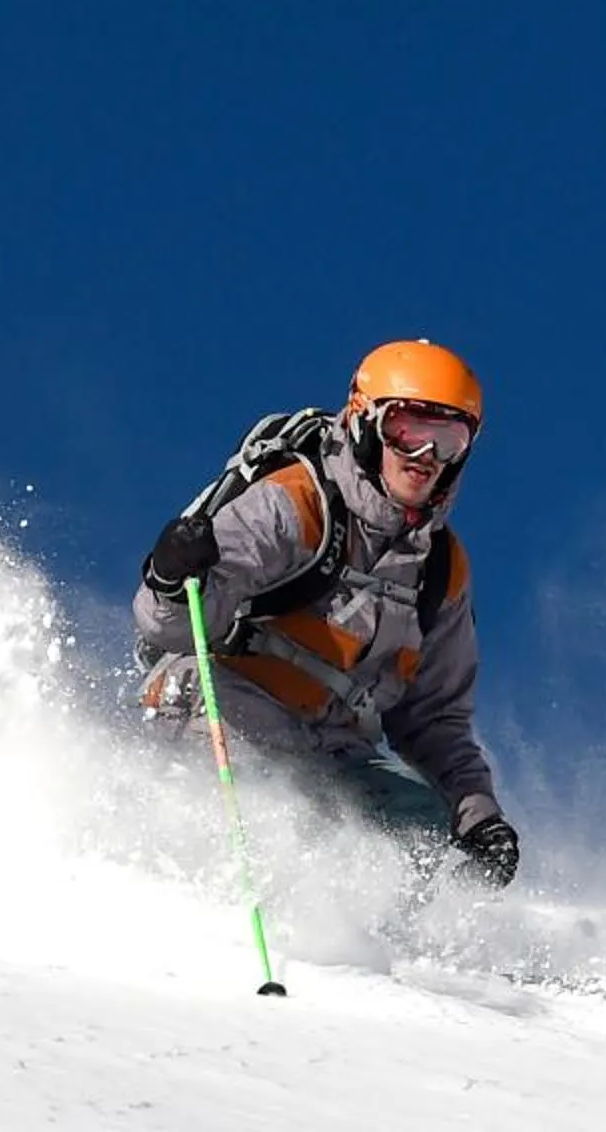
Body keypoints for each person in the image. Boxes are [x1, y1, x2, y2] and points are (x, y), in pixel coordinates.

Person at [132, 339, 521, 888]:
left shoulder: (440, 570)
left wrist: (478, 817)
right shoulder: (296, 504)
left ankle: (377, 960)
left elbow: (434, 719)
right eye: (407, 429)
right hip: (224, 718)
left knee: (421, 833)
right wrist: (172, 578)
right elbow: (167, 622)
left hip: (331, 760)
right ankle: (200, 920)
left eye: (448, 439)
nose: (425, 456)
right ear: (365, 423)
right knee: (264, 819)